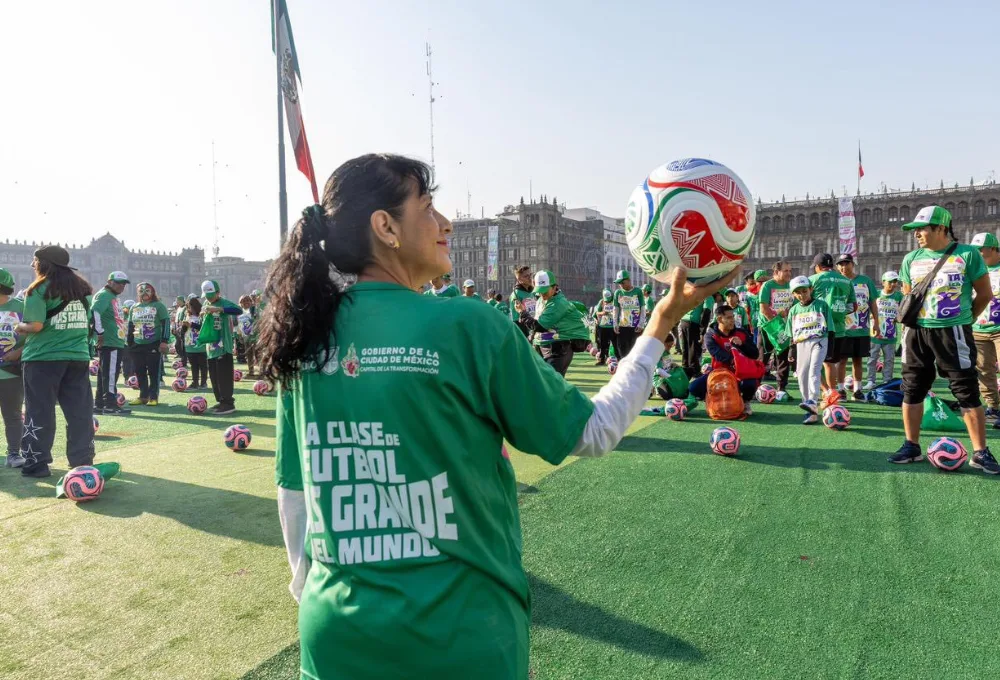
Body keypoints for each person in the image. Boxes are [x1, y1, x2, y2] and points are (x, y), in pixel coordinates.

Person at [258, 153, 734, 680]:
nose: (447, 223)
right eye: (429, 207)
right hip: (459, 633)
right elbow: (593, 432)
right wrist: (661, 324)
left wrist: (317, 595)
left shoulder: (304, 335)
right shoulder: (467, 324)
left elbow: (294, 496)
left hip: (335, 637)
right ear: (385, 226)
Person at [889, 206, 997, 473]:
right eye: (915, 230)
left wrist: (965, 319)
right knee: (912, 387)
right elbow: (908, 295)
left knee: (965, 388)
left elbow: (984, 293)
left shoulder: (967, 254)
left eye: (922, 229)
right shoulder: (911, 259)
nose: (917, 234)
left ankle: (980, 452)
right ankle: (911, 445)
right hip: (917, 332)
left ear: (941, 228)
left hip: (953, 331)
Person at [12, 246, 94, 477]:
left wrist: (20, 326)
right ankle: (82, 460)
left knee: (39, 411)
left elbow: (35, 326)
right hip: (77, 357)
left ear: (45, 264)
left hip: (43, 359)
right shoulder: (84, 289)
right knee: (79, 411)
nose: (32, 264)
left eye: (35, 260)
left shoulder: (37, 289)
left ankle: (37, 464)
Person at [688, 304, 759, 415]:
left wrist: (742, 345)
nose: (732, 320)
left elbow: (755, 354)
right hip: (718, 373)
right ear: (720, 319)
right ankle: (712, 396)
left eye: (733, 317)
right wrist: (734, 360)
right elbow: (718, 354)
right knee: (693, 387)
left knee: (750, 383)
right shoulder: (710, 335)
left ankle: (746, 401)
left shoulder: (741, 333)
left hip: (739, 373)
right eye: (729, 318)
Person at [785, 276, 835, 424]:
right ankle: (809, 408)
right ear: (794, 294)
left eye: (804, 291)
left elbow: (831, 329)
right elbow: (791, 334)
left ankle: (813, 401)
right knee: (802, 373)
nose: (802, 295)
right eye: (798, 292)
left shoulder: (822, 305)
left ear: (811, 289)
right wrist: (791, 351)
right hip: (801, 344)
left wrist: (830, 350)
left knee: (814, 370)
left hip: (819, 340)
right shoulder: (793, 310)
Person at [523, 270, 590, 376]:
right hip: (543, 345)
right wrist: (532, 337)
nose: (542, 293)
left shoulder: (558, 303)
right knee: (541, 382)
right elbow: (537, 319)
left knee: (551, 383)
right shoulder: (541, 300)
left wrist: (523, 313)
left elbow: (539, 326)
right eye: (539, 290)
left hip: (559, 347)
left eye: (544, 290)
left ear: (554, 287)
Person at [809, 253, 856, 399]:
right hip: (839, 328)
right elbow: (853, 306)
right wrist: (838, 312)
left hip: (817, 328)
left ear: (817, 267)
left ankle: (826, 393)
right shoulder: (846, 281)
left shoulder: (812, 280)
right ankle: (832, 392)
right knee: (831, 363)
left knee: (815, 364)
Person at [835, 253, 880, 399]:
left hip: (861, 328)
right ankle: (841, 390)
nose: (844, 266)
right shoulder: (836, 282)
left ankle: (857, 390)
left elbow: (872, 302)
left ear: (852, 264)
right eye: (841, 264)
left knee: (858, 361)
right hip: (842, 330)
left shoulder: (865, 281)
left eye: (846, 263)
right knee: (841, 361)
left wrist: (877, 323)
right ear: (837, 267)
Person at [90, 271, 131, 415]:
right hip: (110, 341)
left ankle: (100, 404)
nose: (122, 286)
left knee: (105, 374)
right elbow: (95, 312)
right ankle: (110, 405)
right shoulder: (104, 295)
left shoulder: (111, 296)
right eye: (119, 283)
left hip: (115, 340)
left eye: (124, 283)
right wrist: (100, 332)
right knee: (111, 373)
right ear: (110, 282)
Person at [969, 232, 1000, 422]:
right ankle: (993, 407)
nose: (978, 253)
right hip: (979, 329)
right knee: (984, 370)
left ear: (994, 248)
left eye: (981, 249)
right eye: (975, 250)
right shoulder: (973, 271)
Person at [200, 280, 242, 415]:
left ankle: (228, 403)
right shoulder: (206, 304)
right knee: (214, 377)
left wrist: (220, 309)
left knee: (224, 376)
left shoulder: (224, 302)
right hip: (211, 348)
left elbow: (238, 310)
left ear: (218, 292)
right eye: (207, 295)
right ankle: (220, 400)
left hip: (223, 347)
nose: (209, 298)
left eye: (211, 295)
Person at [126, 282, 170, 406]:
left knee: (153, 371)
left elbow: (166, 323)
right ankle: (143, 396)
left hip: (153, 343)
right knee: (139, 371)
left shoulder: (158, 306)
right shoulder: (134, 307)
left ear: (153, 292)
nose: (144, 293)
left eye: (147, 290)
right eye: (141, 291)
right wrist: (129, 342)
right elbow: (130, 325)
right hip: (137, 343)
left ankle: (153, 397)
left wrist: (164, 341)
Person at [758, 260, 794, 399]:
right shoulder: (767, 286)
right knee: (763, 357)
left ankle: (782, 388)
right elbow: (764, 308)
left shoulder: (791, 286)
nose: (789, 273)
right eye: (786, 271)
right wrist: (776, 325)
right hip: (768, 327)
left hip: (785, 327)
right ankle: (755, 385)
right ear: (776, 272)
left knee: (783, 358)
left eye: (790, 271)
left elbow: (795, 305)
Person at [0, 269, 25, 466]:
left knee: (13, 415)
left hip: (11, 372)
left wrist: (19, 351)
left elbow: (37, 335)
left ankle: (14, 454)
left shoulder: (21, 307)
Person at [864, 271, 903, 389]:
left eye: (895, 282)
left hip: (891, 334)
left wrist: (899, 317)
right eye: (890, 282)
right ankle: (871, 381)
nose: (893, 284)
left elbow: (903, 312)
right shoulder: (875, 295)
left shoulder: (899, 296)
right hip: (875, 333)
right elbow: (867, 309)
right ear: (883, 282)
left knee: (889, 360)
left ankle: (887, 381)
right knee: (872, 359)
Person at [612, 270, 644, 358]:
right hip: (622, 326)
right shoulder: (617, 293)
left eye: (622, 282)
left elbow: (642, 308)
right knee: (622, 351)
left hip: (636, 327)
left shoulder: (638, 291)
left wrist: (641, 323)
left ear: (629, 280)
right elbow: (616, 309)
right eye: (619, 283)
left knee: (635, 351)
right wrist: (615, 323)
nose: (621, 285)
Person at [678, 296, 710, 378]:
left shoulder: (698, 293)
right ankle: (695, 371)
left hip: (684, 320)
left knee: (686, 348)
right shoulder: (709, 296)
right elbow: (706, 313)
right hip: (693, 323)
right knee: (693, 348)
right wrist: (702, 332)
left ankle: (685, 369)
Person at [182, 296, 208, 390]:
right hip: (189, 344)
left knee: (203, 365)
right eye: (188, 307)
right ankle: (195, 382)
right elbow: (184, 330)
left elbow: (203, 327)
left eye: (191, 307)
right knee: (194, 365)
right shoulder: (187, 316)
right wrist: (183, 326)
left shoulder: (202, 315)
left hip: (200, 344)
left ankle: (204, 383)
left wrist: (191, 324)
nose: (189, 309)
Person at [509, 265, 535, 338]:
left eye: (530, 274)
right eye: (526, 276)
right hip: (524, 332)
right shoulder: (516, 294)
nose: (530, 278)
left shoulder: (533, 291)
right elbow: (516, 319)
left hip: (533, 327)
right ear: (519, 279)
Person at [592, 288, 616, 365]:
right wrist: (603, 313)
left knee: (615, 343)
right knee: (603, 344)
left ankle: (617, 359)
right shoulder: (601, 302)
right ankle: (602, 359)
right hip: (603, 326)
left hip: (613, 326)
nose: (607, 301)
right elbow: (597, 313)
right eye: (606, 300)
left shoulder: (615, 301)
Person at [172, 295, 188, 368]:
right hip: (177, 329)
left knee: (182, 346)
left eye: (178, 300)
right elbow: (176, 319)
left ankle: (184, 361)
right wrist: (174, 328)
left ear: (181, 301)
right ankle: (182, 358)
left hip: (182, 329)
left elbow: (184, 318)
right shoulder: (178, 308)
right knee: (177, 345)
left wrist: (181, 327)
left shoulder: (185, 308)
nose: (177, 302)